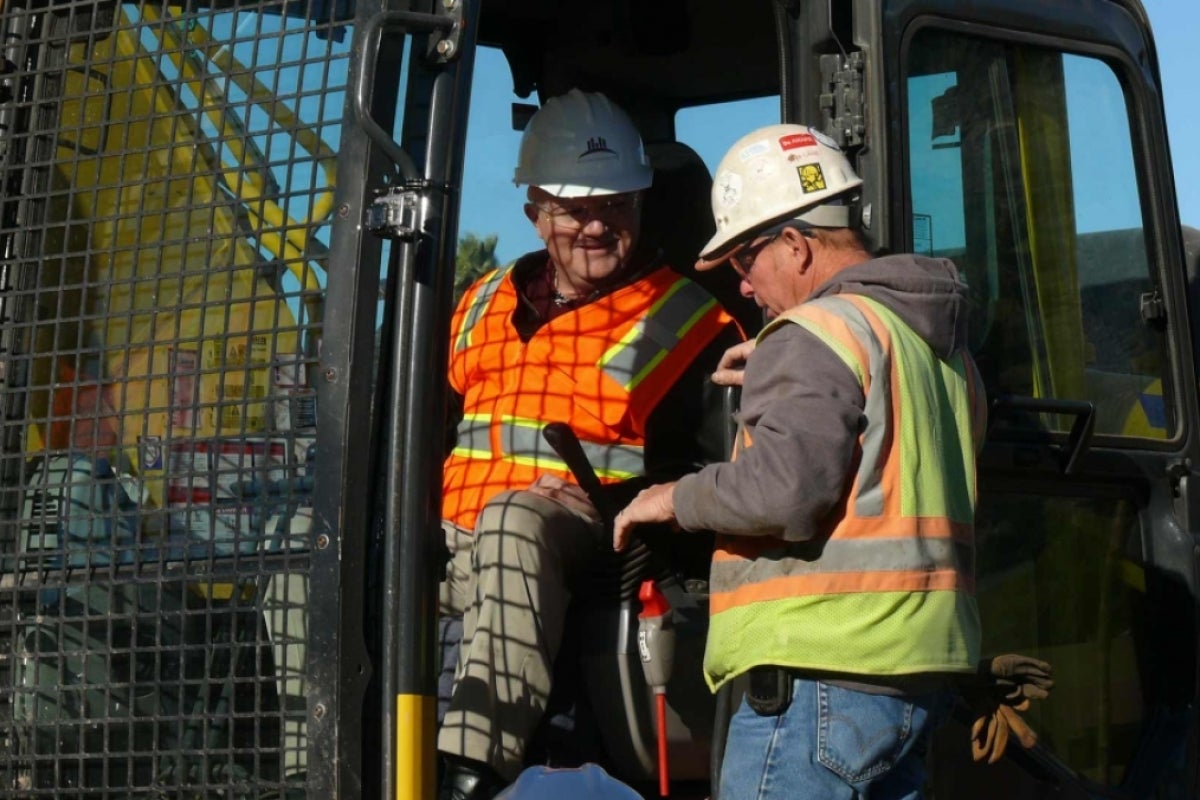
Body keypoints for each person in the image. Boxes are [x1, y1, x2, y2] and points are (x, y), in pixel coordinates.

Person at [612, 123, 988, 799]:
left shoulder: (812, 335)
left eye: (744, 264)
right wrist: (796, 378)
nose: (747, 291)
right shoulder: (934, 346)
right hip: (913, 683)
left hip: (816, 683)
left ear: (793, 243)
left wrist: (673, 499)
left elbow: (787, 493)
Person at [437, 89, 742, 800]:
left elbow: (717, 474)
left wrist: (616, 500)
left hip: (591, 545)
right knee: (305, 543)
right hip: (452, 547)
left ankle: (471, 775)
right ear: (536, 212)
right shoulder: (477, 303)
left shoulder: (695, 323)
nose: (597, 226)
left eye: (617, 207)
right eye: (578, 209)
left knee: (516, 519)